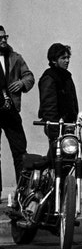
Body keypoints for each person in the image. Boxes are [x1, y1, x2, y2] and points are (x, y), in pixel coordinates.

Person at [0, 25, 35, 197]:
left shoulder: (15, 57)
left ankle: (23, 190)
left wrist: (22, 83)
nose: (4, 40)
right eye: (0, 38)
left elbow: (29, 76)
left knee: (20, 151)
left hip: (11, 111)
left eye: (5, 36)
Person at [38, 43, 79, 143]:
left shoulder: (66, 76)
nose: (67, 61)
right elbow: (49, 106)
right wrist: (55, 130)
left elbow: (72, 100)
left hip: (68, 126)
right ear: (53, 60)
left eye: (68, 57)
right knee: (57, 153)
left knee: (71, 154)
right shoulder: (50, 77)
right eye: (63, 58)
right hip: (57, 127)